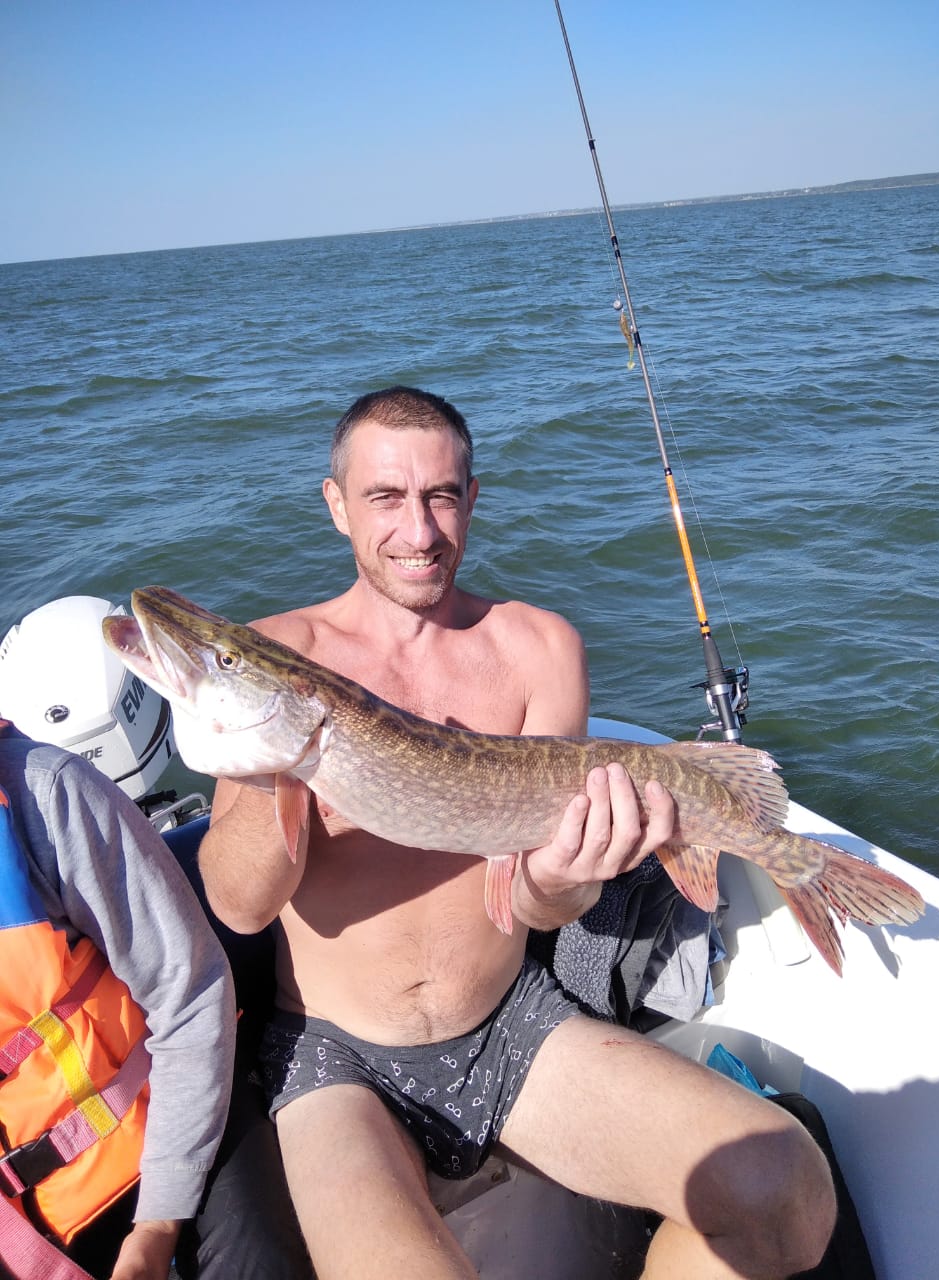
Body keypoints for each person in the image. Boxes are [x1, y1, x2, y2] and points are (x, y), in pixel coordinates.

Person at [198, 385, 837, 1279]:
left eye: (441, 496)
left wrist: (574, 873)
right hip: (336, 1060)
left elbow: (534, 904)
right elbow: (237, 904)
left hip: (512, 1026)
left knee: (785, 1190)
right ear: (336, 504)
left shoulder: (540, 648)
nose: (419, 531)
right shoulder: (273, 656)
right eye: (385, 497)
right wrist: (291, 770)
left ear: (471, 498)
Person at [0, 719, 312, 1280]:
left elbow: (190, 992)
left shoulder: (47, 796)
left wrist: (156, 1227)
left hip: (171, 1122)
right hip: (29, 1225)